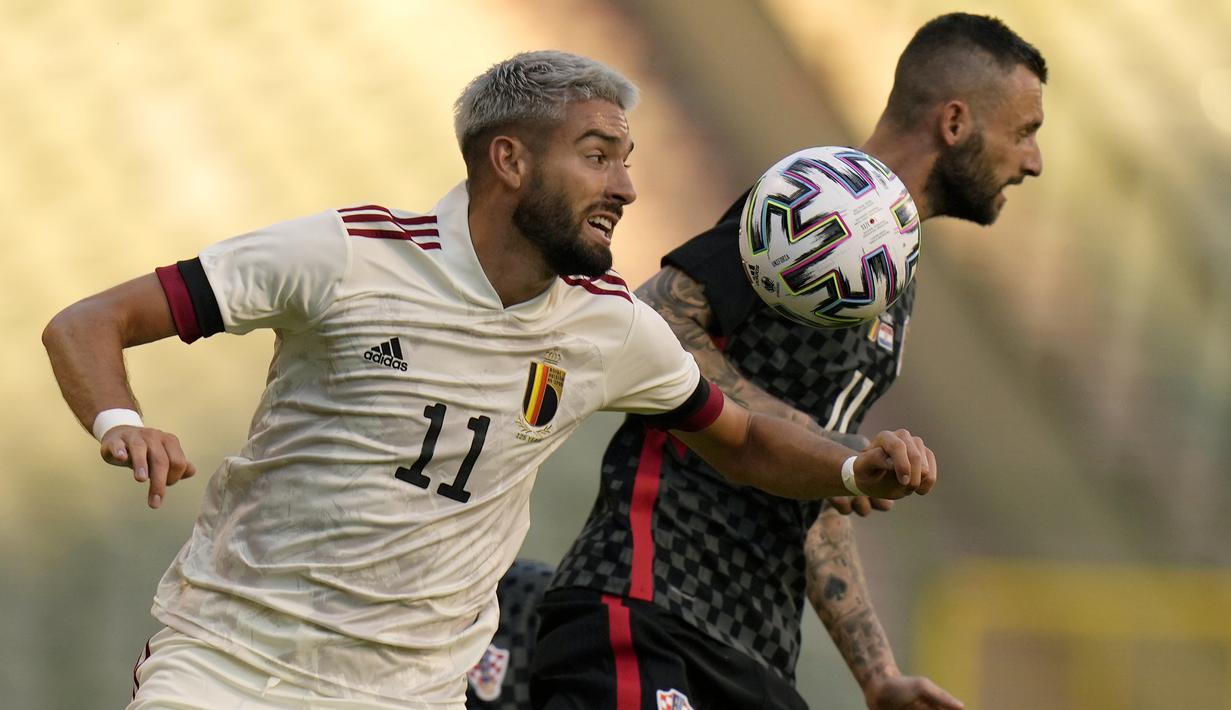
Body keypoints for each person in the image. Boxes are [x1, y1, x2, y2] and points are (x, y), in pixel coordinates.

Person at [41, 51, 938, 709]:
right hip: (229, 668)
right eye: (598, 155)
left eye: (627, 159)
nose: (625, 184)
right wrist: (120, 417)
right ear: (508, 160)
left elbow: (741, 441)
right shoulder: (343, 255)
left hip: (411, 694)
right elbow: (90, 323)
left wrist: (853, 470)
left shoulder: (605, 325)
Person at [532, 13, 1045, 710]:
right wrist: (817, 438)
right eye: (1023, 132)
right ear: (954, 122)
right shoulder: (817, 207)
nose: (1033, 160)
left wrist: (877, 677)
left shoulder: (887, 267)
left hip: (755, 652)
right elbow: (655, 317)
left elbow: (818, 482)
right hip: (654, 605)